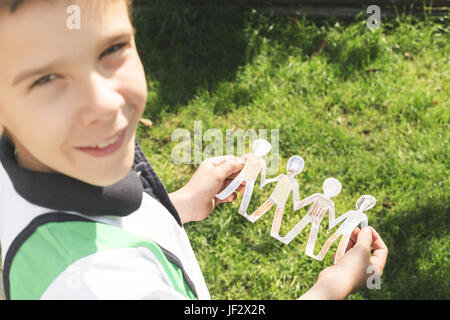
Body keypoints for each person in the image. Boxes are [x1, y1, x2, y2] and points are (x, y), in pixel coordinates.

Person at [0, 0, 388, 300]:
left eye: (112, 48)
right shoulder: (101, 284)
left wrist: (178, 205)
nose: (104, 104)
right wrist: (331, 288)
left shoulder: (31, 167)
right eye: (47, 78)